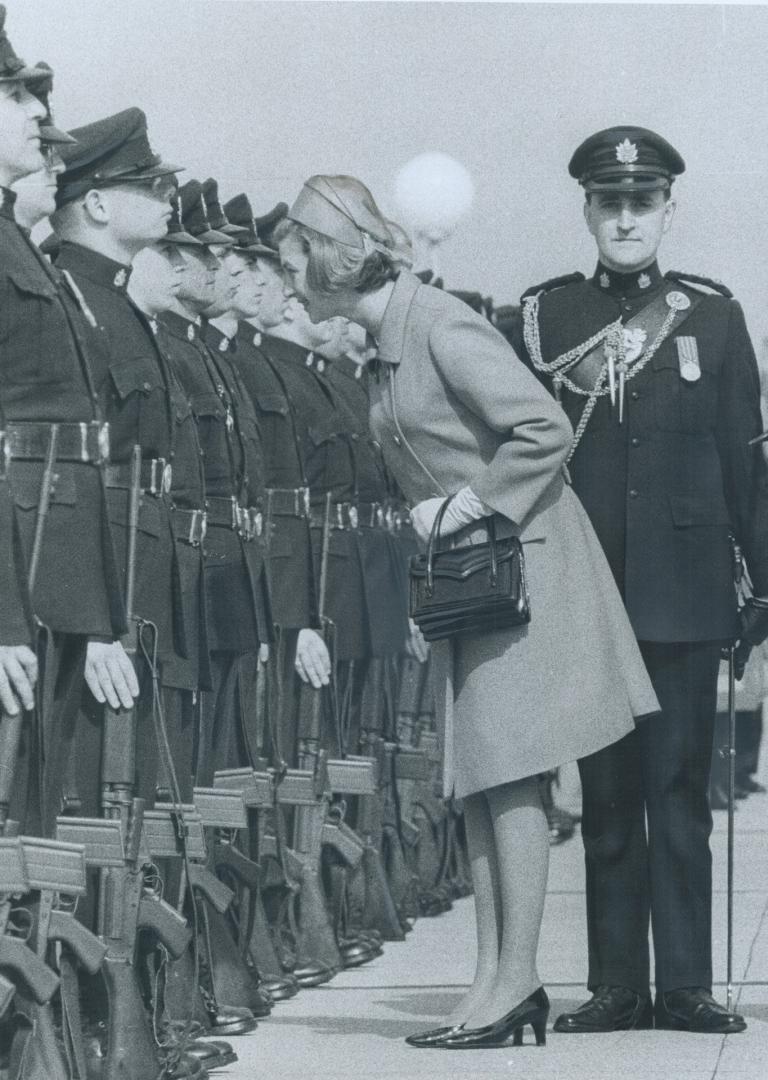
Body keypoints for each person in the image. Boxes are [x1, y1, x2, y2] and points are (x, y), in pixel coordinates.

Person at [277, 173, 659, 1049]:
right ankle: (495, 978)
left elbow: (544, 430)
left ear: (334, 258)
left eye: (294, 253)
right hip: (479, 574)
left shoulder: (440, 324)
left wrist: (459, 508)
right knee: (483, 774)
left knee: (511, 769)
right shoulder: (387, 339)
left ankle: (516, 978)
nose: (285, 271)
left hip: (524, 564)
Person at [516, 126, 768, 1035]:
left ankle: (688, 985)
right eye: (609, 202)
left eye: (642, 201)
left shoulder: (713, 314)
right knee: (610, 789)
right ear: (587, 210)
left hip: (689, 586)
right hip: (588, 588)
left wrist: (764, 587)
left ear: (668, 208)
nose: (626, 218)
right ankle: (618, 983)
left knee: (680, 789)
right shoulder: (546, 317)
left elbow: (747, 460)